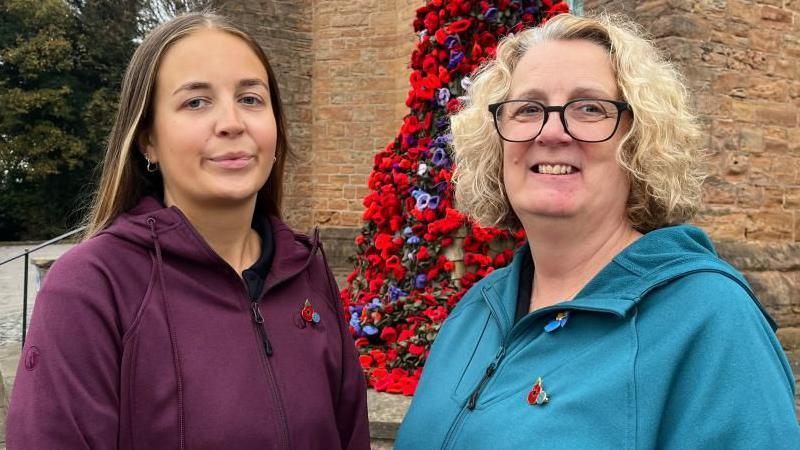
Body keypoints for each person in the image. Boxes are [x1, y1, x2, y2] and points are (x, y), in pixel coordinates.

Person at [395, 13, 800, 449]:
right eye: (528, 108)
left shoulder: (709, 320)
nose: (551, 132)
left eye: (590, 108)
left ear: (639, 140)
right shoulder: (478, 309)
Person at [7, 12, 369, 450]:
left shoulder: (307, 272)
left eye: (251, 99)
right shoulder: (91, 287)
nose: (232, 122)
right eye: (196, 102)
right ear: (148, 141)